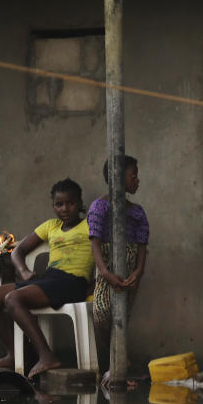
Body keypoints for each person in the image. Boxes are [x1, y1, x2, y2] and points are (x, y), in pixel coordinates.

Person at [0, 178, 94, 378]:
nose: (65, 209)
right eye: (59, 204)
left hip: (72, 282)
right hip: (50, 279)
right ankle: (14, 354)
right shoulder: (51, 226)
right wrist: (24, 271)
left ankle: (46, 355)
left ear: (79, 203)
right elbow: (18, 251)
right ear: (53, 206)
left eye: (71, 203)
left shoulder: (90, 225)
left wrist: (95, 283)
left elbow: (104, 252)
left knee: (13, 298)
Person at [87, 155, 149, 386]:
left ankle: (117, 366)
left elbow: (143, 246)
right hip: (106, 270)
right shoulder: (99, 207)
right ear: (118, 178)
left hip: (129, 272)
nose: (137, 180)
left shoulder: (137, 212)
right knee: (102, 315)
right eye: (133, 175)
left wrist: (139, 271)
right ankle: (120, 358)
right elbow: (94, 243)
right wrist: (104, 273)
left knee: (121, 318)